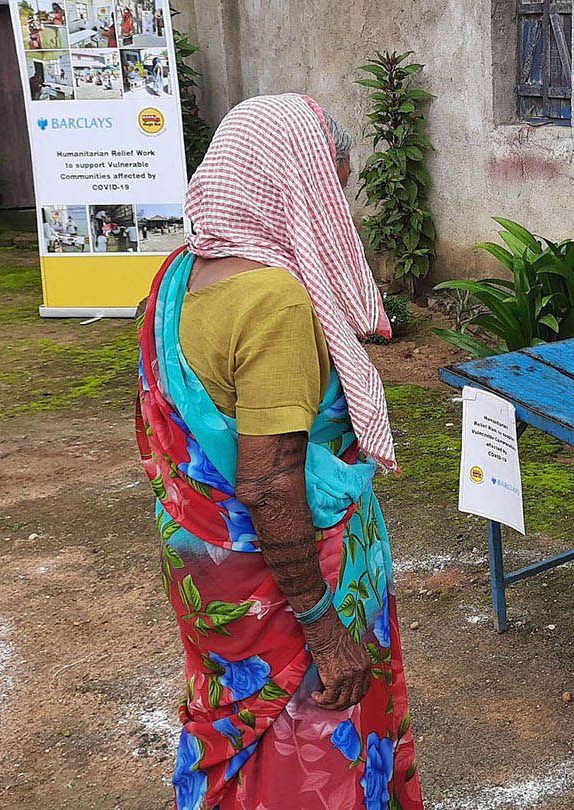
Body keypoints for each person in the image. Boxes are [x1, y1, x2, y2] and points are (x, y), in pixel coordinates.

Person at [136, 94, 422, 810]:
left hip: (209, 572)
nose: (340, 213)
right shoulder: (274, 302)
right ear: (296, 187)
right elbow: (267, 485)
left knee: (237, 734)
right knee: (308, 747)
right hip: (291, 591)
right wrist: (325, 630)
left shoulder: (176, 277)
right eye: (333, 189)